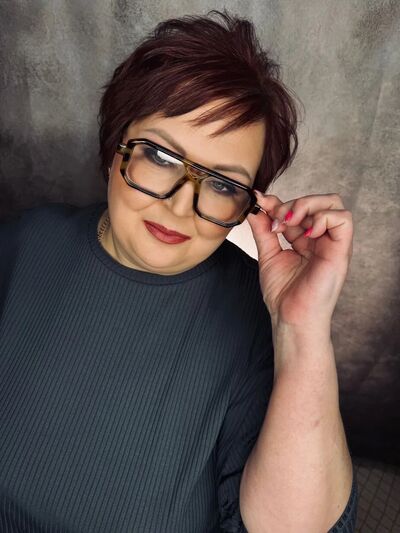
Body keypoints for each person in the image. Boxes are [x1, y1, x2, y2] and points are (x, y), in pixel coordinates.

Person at [0, 9, 358, 533]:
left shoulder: (258, 320)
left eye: (222, 184)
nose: (180, 205)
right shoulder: (25, 243)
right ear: (114, 147)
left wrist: (302, 330)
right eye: (162, 157)